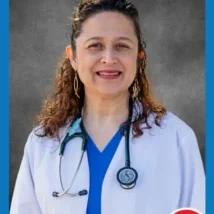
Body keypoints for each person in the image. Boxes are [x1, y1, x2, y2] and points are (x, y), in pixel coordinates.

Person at [10, 0, 205, 213]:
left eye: (122, 46)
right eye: (95, 46)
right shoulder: (43, 142)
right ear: (73, 57)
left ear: (139, 58)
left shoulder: (176, 138)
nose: (109, 59)